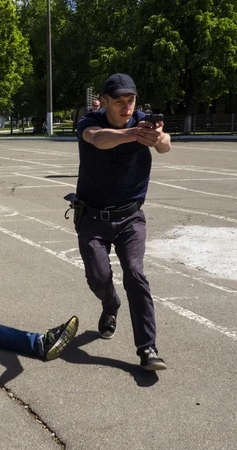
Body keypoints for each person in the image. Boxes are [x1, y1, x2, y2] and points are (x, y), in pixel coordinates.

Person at [72, 73, 171, 371]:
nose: (127, 108)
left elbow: (165, 144)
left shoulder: (144, 121)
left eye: (131, 101)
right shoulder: (89, 122)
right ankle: (110, 304)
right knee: (98, 278)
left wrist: (158, 138)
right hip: (92, 217)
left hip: (130, 216)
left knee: (135, 273)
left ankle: (148, 349)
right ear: (104, 102)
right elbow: (99, 140)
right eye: (119, 102)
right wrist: (132, 135)